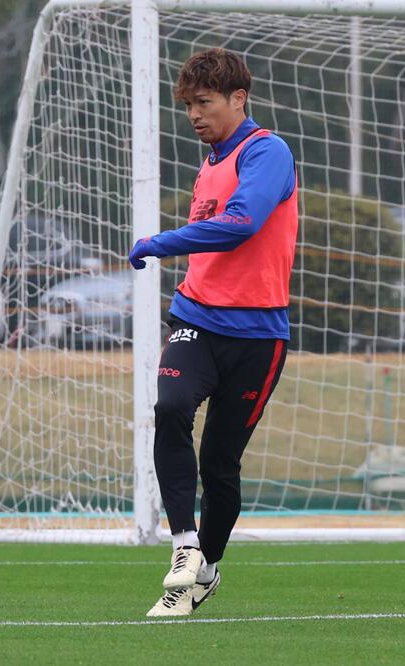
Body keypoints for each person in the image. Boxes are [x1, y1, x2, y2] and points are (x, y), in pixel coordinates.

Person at [128, 47, 298, 617]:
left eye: (204, 103)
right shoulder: (209, 161)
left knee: (220, 464)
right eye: (188, 106)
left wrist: (158, 242)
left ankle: (205, 570)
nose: (194, 115)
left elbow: (241, 224)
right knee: (171, 406)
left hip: (258, 338)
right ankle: (184, 544)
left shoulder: (267, 151)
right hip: (196, 318)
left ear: (238, 98)